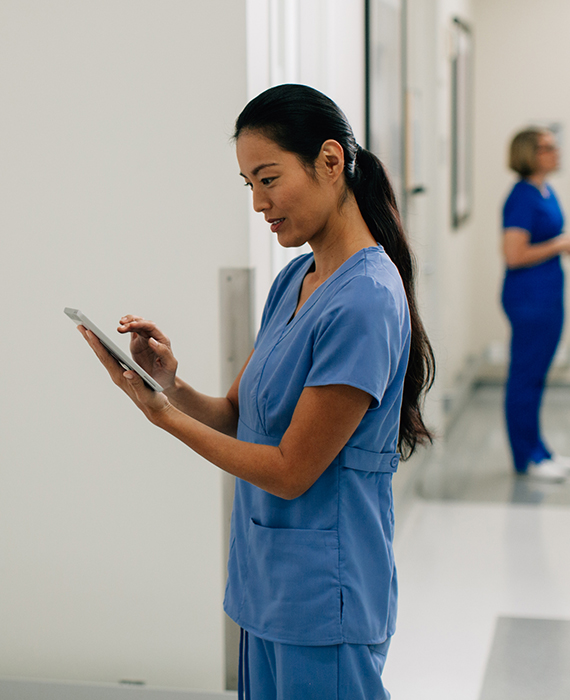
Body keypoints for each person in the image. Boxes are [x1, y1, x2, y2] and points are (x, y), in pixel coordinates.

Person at [79, 84, 435, 699]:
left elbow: (291, 469)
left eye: (268, 179)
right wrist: (169, 383)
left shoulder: (366, 300)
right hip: (266, 585)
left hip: (328, 598)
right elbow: (238, 416)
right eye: (248, 184)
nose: (258, 204)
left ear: (330, 161)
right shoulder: (296, 279)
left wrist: (163, 418)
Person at [501, 127, 570, 481]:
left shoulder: (546, 191)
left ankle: (539, 449)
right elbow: (513, 254)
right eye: (546, 147)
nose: (555, 151)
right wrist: (560, 245)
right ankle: (526, 456)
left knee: (537, 377)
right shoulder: (523, 197)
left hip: (547, 296)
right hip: (529, 300)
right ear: (529, 152)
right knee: (525, 377)